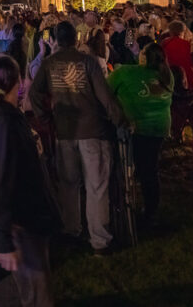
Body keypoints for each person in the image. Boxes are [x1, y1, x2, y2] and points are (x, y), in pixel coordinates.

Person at [0, 55, 61, 307]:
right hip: (23, 216)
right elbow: (2, 178)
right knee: (39, 293)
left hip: (32, 212)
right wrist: (3, 239)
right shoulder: (3, 122)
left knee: (27, 279)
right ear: (18, 82)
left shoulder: (11, 115)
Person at [29, 21, 127, 256]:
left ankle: (72, 230)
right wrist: (119, 120)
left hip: (64, 132)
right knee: (96, 186)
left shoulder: (49, 63)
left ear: (56, 39)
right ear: (75, 38)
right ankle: (99, 240)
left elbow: (34, 92)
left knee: (69, 185)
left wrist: (45, 118)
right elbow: (105, 97)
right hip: (93, 131)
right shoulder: (88, 62)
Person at [107, 43, 172, 228]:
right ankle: (151, 209)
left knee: (135, 168)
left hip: (137, 128)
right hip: (160, 129)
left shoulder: (126, 72)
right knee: (150, 169)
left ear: (143, 56)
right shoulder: (167, 74)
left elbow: (106, 90)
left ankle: (127, 207)